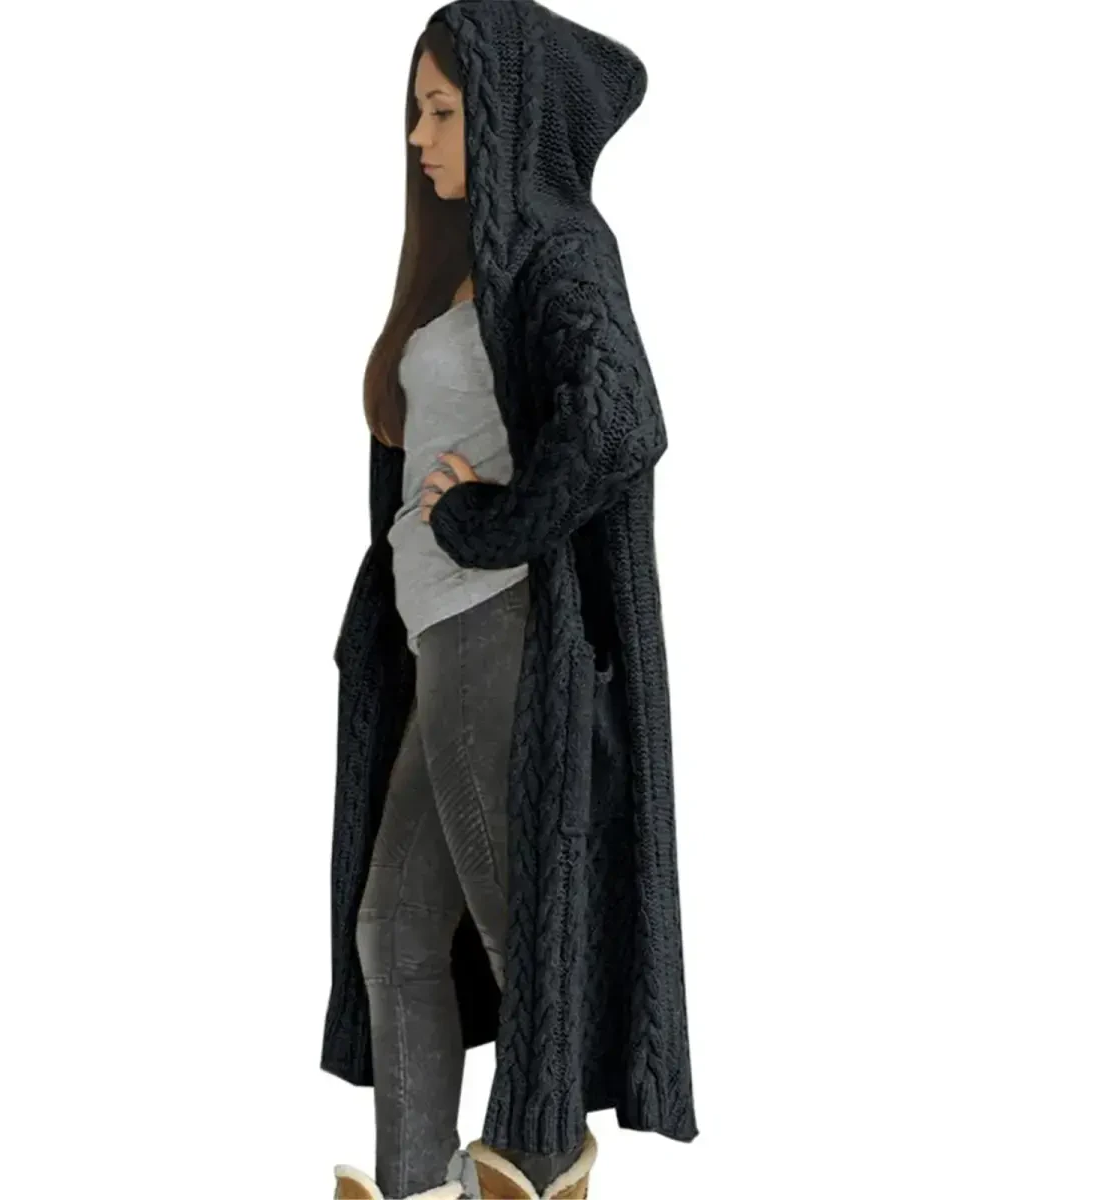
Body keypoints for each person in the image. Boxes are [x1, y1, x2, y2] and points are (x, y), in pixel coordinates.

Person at [326, 5, 697, 1198]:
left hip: (498, 624)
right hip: (438, 628)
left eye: (443, 111)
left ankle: (537, 1169)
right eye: (416, 112)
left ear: (507, 113)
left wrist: (490, 520)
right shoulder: (465, 273)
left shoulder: (558, 252)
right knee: (395, 925)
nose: (419, 138)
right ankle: (417, 1183)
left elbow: (620, 422)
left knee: (513, 915)